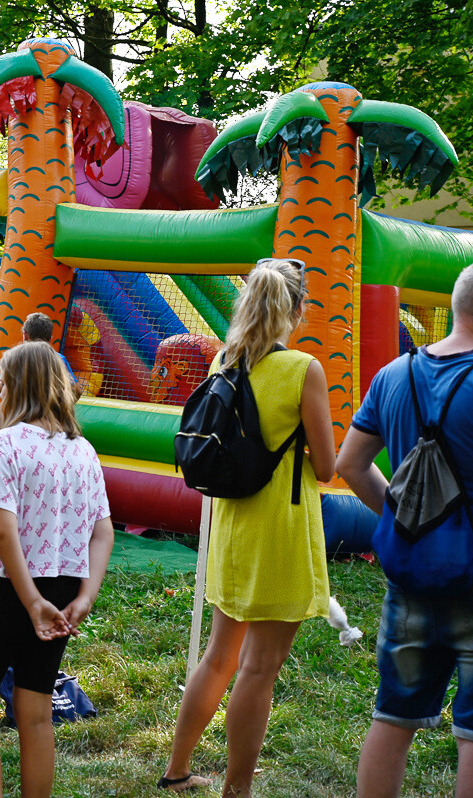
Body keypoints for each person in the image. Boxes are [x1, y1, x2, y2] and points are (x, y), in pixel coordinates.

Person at [159, 258, 335, 796]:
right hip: (279, 529)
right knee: (259, 669)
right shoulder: (303, 369)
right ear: (297, 309)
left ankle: (177, 769)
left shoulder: (224, 359)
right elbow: (327, 467)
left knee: (219, 657)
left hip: (232, 527)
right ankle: (236, 789)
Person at [336, 264, 473, 798]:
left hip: (411, 581)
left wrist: (401, 517)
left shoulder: (394, 374)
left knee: (393, 718)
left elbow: (350, 464)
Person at [0, 341, 114, 798]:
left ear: (20, 386)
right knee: (36, 712)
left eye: (3, 381)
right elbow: (103, 532)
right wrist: (85, 596)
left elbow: (3, 532)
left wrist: (30, 601)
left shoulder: (3, 444)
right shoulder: (83, 450)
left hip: (10, 590)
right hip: (63, 593)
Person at [21, 312, 75, 380]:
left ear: (25, 336)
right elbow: (73, 385)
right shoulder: (59, 359)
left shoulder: (15, 358)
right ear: (50, 339)